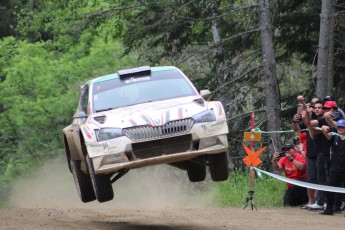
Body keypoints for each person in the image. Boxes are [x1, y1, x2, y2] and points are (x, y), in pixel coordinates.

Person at [320, 119, 345, 215]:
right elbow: (324, 131)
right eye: (338, 127)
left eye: (342, 127)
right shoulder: (335, 138)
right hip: (335, 168)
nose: (340, 128)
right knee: (330, 188)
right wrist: (327, 129)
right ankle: (329, 209)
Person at [271, 142, 308, 206]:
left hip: (301, 182)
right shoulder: (284, 159)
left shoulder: (299, 156)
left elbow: (302, 167)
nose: (287, 151)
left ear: (293, 149)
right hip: (290, 185)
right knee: (287, 202)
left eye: (288, 149)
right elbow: (277, 168)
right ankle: (298, 203)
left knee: (296, 187)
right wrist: (274, 161)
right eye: (285, 150)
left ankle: (306, 201)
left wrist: (291, 159)